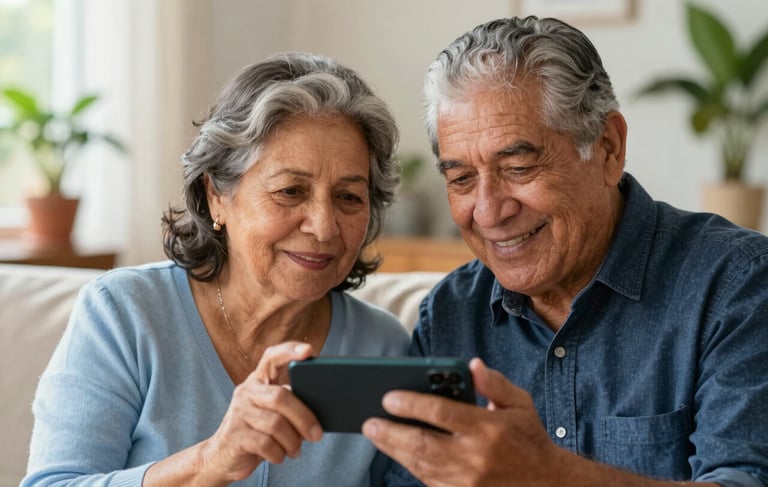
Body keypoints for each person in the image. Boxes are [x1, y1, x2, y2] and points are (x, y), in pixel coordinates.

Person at [361, 16, 768, 487]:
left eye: (518, 167)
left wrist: (546, 474)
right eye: (461, 180)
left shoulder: (738, 285)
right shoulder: (451, 313)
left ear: (608, 149)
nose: (489, 212)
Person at [22, 53, 410, 486]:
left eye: (349, 197)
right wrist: (211, 461)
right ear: (216, 196)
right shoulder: (123, 314)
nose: (323, 227)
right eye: (290, 191)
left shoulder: (383, 347)